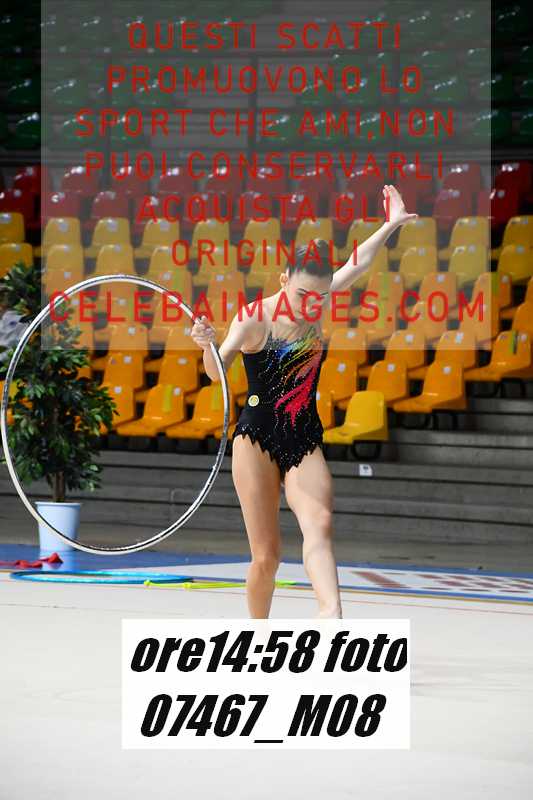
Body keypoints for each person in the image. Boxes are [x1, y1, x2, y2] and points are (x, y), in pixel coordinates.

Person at [191, 185, 417, 619]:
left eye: (320, 297)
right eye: (302, 296)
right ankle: (257, 634)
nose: (311, 306)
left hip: (303, 434)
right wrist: (207, 346)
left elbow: (359, 262)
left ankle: (331, 614)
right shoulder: (253, 317)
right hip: (256, 437)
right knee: (267, 557)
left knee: (320, 523)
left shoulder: (319, 300)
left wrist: (391, 224)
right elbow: (216, 374)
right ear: (283, 281)